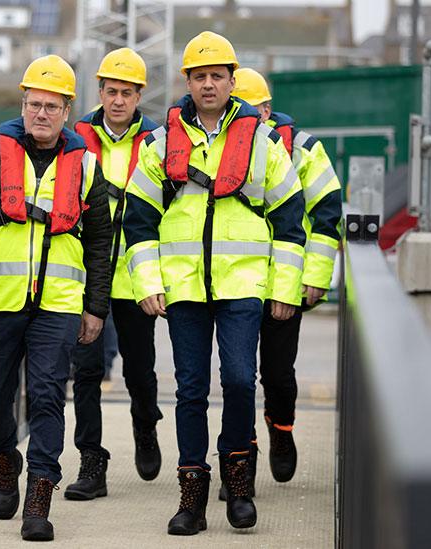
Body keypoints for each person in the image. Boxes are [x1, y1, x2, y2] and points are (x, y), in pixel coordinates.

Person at [122, 31, 306, 535]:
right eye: (199, 76)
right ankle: (192, 499)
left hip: (243, 285)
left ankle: (239, 486)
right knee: (190, 391)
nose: (208, 84)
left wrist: (286, 289)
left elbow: (291, 220)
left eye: (216, 76)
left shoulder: (264, 144)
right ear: (188, 81)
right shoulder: (160, 144)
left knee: (242, 381)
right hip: (182, 290)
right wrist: (147, 282)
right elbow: (137, 222)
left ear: (231, 80)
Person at [0, 54, 112, 542]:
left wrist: (95, 306)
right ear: (23, 105)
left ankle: (40, 494)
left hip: (58, 303)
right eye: (34, 104)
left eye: (51, 106)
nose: (41, 113)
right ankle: (4, 459)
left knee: (46, 397)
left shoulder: (86, 166)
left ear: (66, 111)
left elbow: (101, 241)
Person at [228, 67, 343, 492]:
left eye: (250, 109)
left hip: (286, 280)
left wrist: (314, 277)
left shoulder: (303, 150)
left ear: (267, 109)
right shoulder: (220, 146)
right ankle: (243, 457)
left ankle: (281, 429)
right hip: (237, 280)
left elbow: (328, 213)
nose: (242, 115)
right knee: (236, 376)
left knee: (277, 374)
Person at [64, 47, 163, 502]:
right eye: (111, 91)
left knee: (140, 372)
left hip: (137, 278)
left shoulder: (160, 142)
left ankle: (146, 427)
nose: (118, 100)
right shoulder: (75, 140)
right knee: (86, 372)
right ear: (99, 92)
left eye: (126, 92)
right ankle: (91, 464)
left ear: (140, 94)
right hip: (88, 277)